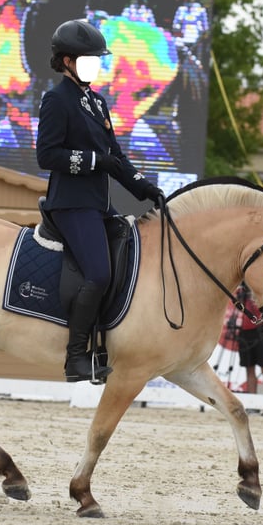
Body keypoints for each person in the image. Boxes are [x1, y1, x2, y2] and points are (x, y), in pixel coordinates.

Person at [36, 19, 163, 383]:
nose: (95, 64)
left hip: (98, 203)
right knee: (99, 272)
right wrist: (95, 162)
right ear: (66, 61)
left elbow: (116, 156)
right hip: (71, 203)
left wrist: (144, 187)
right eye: (88, 58)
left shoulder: (96, 101)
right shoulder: (56, 99)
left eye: (97, 58)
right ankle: (76, 357)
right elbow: (47, 155)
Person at [235, 283, 263, 395]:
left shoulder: (261, 288)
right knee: (249, 369)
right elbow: (237, 306)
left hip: (260, 331)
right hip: (244, 333)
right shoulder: (242, 291)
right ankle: (253, 402)